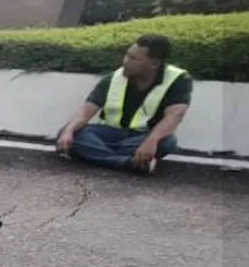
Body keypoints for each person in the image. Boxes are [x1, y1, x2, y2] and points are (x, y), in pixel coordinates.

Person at [55, 34, 192, 174]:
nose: (125, 61)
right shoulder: (114, 77)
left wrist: (152, 140)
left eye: (133, 59)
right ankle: (127, 162)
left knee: (167, 142)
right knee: (69, 133)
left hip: (142, 136)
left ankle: (97, 154)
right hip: (108, 133)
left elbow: (175, 115)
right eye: (127, 55)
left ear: (154, 64)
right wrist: (68, 131)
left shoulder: (178, 80)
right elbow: (86, 111)